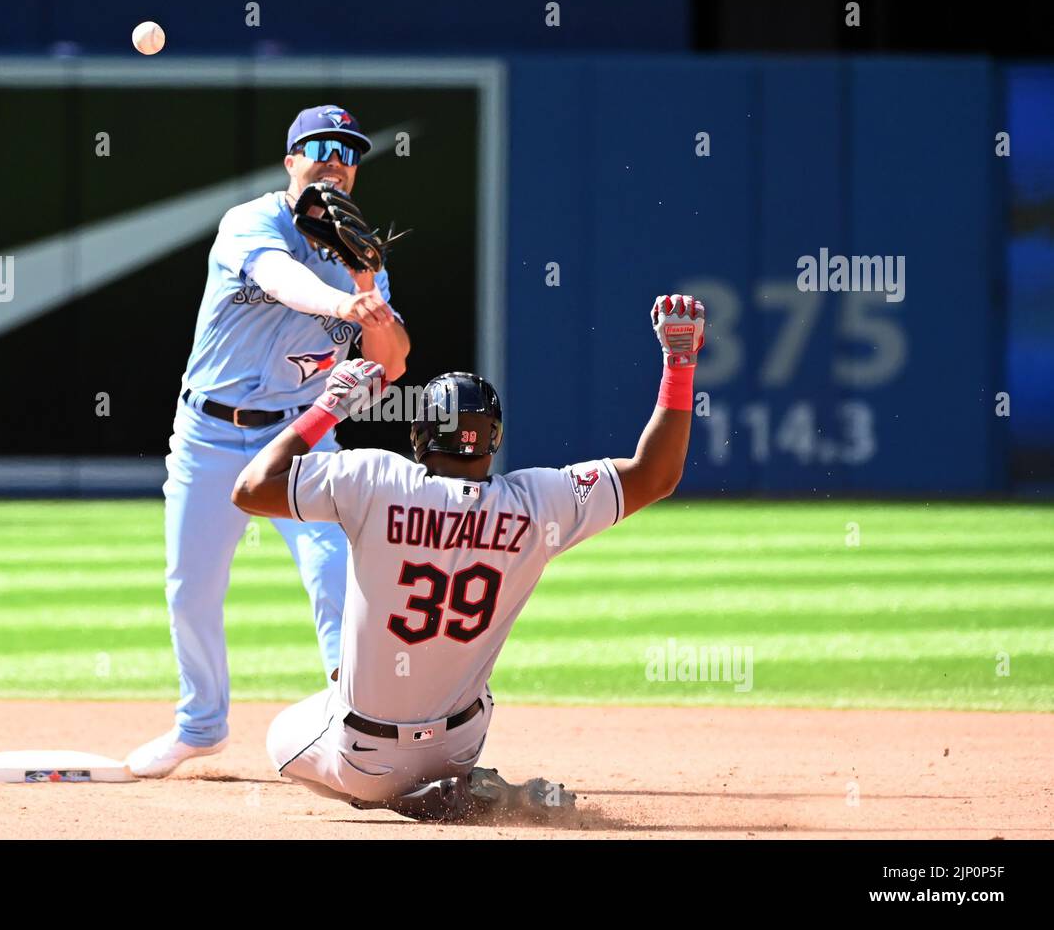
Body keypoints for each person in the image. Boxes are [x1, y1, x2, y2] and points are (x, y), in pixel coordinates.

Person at [231, 295, 706, 820]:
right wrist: (679, 366)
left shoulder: (372, 480)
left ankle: (413, 800)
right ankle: (445, 785)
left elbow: (251, 488)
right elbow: (656, 475)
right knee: (458, 688)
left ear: (419, 435)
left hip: (364, 753)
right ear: (495, 439)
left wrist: (329, 407)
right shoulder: (538, 501)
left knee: (282, 742)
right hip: (459, 745)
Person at [125, 105, 410, 777]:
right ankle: (200, 726)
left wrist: (367, 285)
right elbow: (281, 279)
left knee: (336, 571)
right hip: (209, 434)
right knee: (190, 588)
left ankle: (355, 719)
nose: (335, 159)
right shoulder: (251, 223)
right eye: (320, 146)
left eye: (349, 152)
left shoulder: (362, 256)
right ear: (290, 161)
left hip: (301, 439)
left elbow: (392, 361)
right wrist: (344, 301)